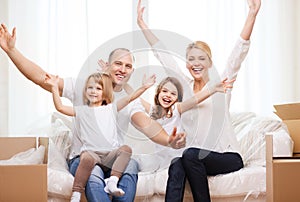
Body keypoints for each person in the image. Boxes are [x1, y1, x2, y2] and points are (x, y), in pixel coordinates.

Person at [0, 23, 186, 202]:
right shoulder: (85, 87)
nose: (122, 69)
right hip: (85, 157)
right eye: (118, 64)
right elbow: (43, 78)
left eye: (128, 66)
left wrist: (169, 140)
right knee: (93, 174)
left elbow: (148, 125)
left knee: (130, 168)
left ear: (132, 71)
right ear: (107, 64)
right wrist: (11, 51)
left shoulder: (130, 102)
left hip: (113, 157)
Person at [136, 0, 261, 201]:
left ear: (209, 63)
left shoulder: (221, 86)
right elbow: (163, 55)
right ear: (186, 64)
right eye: (191, 59)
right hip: (195, 159)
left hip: (226, 156)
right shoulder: (183, 89)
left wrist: (252, 15)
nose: (196, 63)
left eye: (201, 58)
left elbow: (238, 53)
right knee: (178, 162)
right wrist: (143, 25)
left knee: (189, 155)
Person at [45, 72, 155, 201]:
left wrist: (144, 87)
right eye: (90, 88)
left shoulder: (111, 108)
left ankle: (112, 181)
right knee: (86, 158)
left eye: (98, 88)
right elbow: (61, 107)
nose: (93, 91)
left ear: (105, 92)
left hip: (110, 155)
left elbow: (130, 98)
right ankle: (76, 192)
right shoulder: (81, 110)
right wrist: (54, 87)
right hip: (92, 154)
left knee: (126, 149)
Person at [134, 76, 234, 169]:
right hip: (161, 157)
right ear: (158, 93)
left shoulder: (176, 108)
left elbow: (194, 100)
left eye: (173, 94)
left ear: (177, 98)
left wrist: (213, 89)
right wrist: (143, 87)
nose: (168, 95)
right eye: (164, 91)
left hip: (176, 155)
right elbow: (134, 98)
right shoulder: (153, 111)